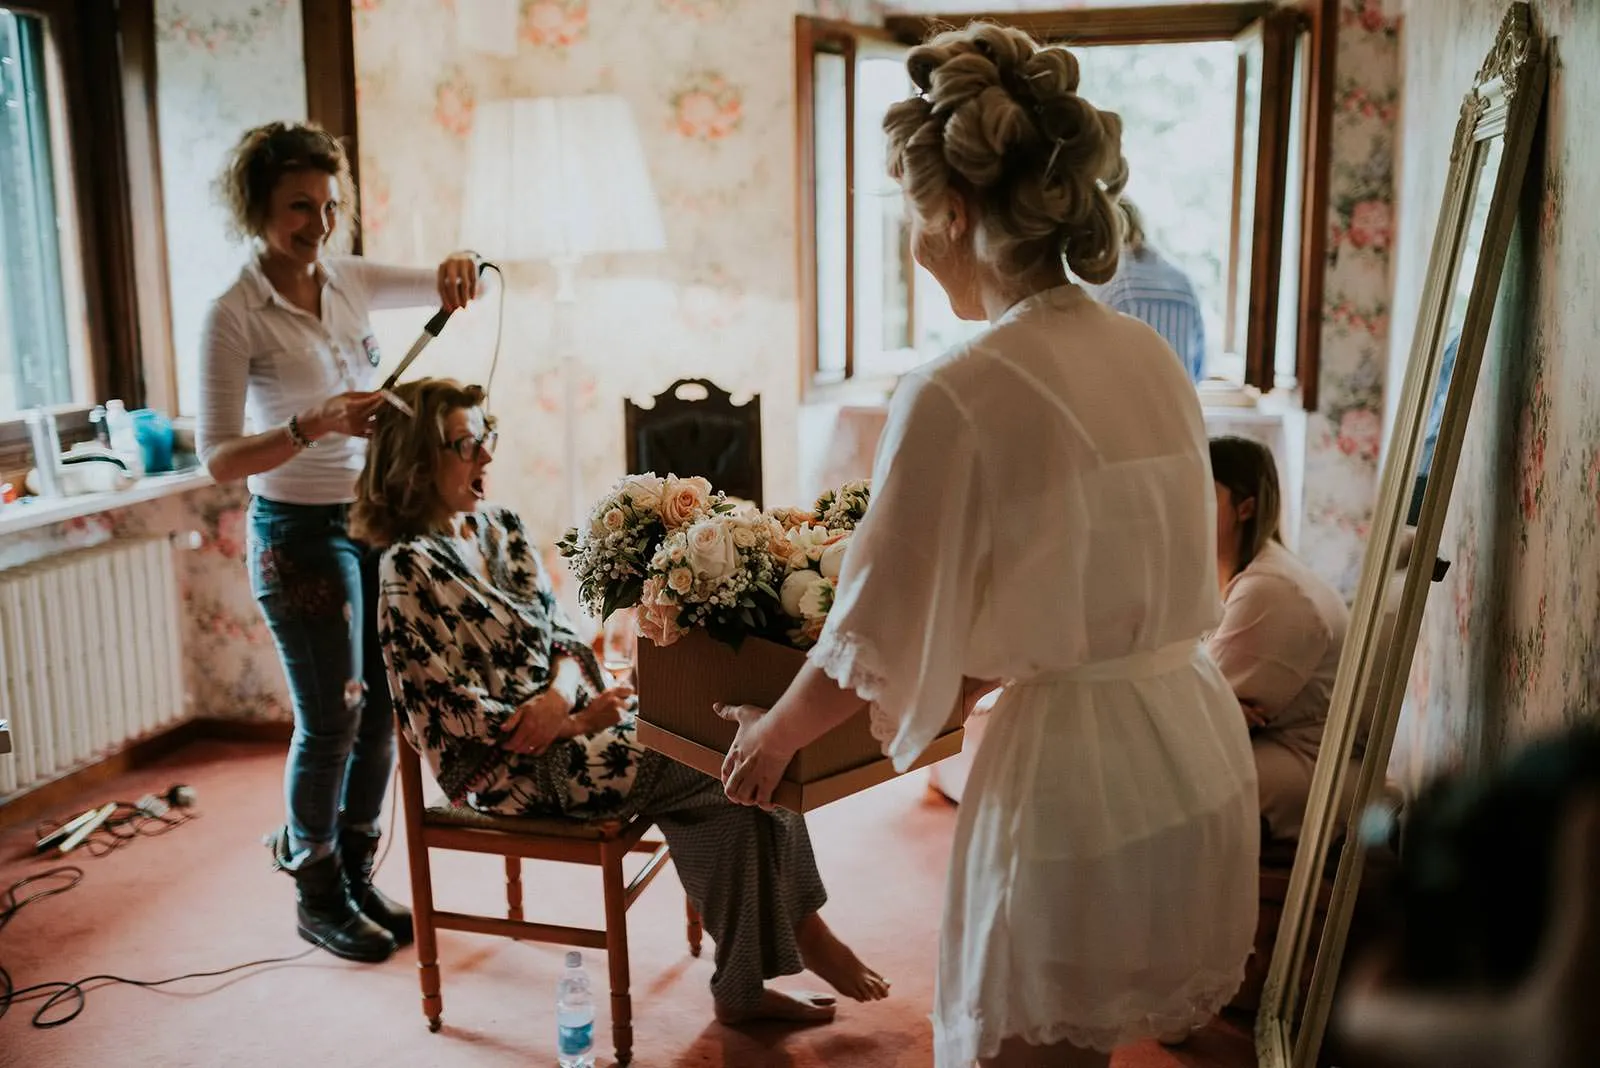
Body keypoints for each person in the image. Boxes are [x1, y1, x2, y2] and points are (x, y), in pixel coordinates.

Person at [715, 24, 1259, 1068]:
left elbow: (872, 629)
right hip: (1186, 747)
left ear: (953, 214)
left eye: (912, 221)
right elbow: (1033, 599)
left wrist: (775, 738)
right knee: (1081, 1044)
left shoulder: (960, 387)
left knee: (1027, 1048)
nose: (914, 250)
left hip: (1070, 775)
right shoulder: (1147, 351)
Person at [353, 377, 890, 1024]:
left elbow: (556, 630)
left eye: (485, 438)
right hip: (515, 766)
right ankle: (799, 944)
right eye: (467, 444)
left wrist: (561, 694)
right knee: (735, 757)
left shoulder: (500, 529)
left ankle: (752, 981)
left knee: (734, 755)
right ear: (415, 461)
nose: (486, 456)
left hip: (576, 723)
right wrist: (569, 719)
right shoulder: (405, 569)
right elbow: (432, 703)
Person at [196, 120, 488, 963]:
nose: (318, 226)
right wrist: (311, 422)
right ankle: (315, 889)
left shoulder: (349, 279)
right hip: (294, 532)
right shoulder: (231, 316)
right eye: (298, 207)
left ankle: (357, 873)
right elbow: (218, 458)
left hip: (370, 523)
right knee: (332, 719)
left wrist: (462, 265)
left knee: (384, 708)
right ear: (254, 209)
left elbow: (446, 278)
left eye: (329, 207)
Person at [1207, 436, 1351, 842]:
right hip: (1276, 748)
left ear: (1245, 507)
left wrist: (1208, 703)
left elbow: (1197, 719)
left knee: (1133, 783)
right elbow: (1205, 702)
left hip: (1298, 762)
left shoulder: (1270, 590)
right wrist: (1209, 702)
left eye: (1201, 492)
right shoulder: (1251, 576)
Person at [1084, 198, 1208, 382]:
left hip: (1124, 406)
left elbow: (1088, 367)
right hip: (1182, 407)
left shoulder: (1105, 285)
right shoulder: (1183, 283)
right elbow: (1198, 369)